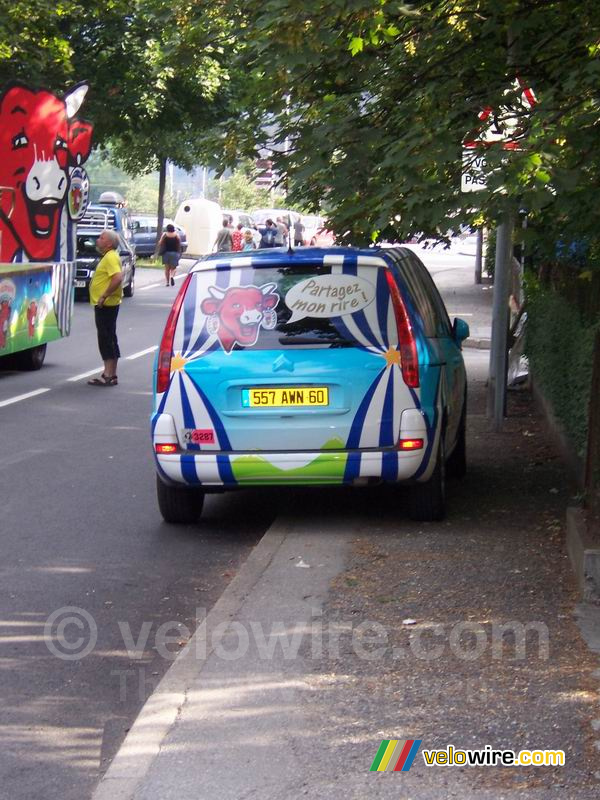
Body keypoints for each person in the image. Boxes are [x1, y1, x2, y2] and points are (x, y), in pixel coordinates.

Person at [87, 229, 123, 387]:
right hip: (108, 304)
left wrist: (104, 295)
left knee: (105, 338)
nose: (98, 240)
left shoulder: (110, 257)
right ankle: (111, 374)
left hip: (105, 304)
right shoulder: (111, 256)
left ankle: (108, 375)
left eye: (101, 237)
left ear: (108, 243)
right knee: (110, 337)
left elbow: (118, 277)